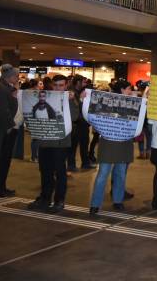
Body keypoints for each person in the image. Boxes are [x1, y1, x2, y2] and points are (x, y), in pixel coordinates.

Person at [28, 74, 79, 213]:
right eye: (55, 85)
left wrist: (71, 100)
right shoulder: (46, 96)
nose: (57, 88)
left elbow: (75, 116)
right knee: (45, 171)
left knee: (60, 172)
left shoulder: (69, 98)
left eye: (61, 85)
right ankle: (44, 199)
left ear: (66, 85)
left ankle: (59, 201)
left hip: (61, 143)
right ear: (52, 85)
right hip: (45, 140)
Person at [89, 80, 136, 215]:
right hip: (109, 143)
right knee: (104, 174)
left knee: (119, 174)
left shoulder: (132, 104)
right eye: (128, 89)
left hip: (122, 143)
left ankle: (117, 200)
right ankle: (96, 204)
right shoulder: (107, 102)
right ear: (122, 90)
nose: (130, 91)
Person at [0, 64, 19, 198]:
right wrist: (10, 126)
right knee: (3, 159)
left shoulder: (6, 87)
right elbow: (3, 110)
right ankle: (0, 188)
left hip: (5, 127)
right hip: (4, 129)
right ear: (9, 76)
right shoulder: (2, 88)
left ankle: (2, 186)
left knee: (5, 159)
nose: (17, 78)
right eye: (15, 76)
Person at [69, 75, 94, 171]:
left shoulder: (82, 91)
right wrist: (80, 99)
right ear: (78, 82)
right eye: (83, 82)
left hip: (83, 123)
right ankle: (71, 165)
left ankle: (85, 163)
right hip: (76, 123)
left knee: (84, 144)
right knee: (73, 145)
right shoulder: (72, 92)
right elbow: (75, 108)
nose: (85, 84)